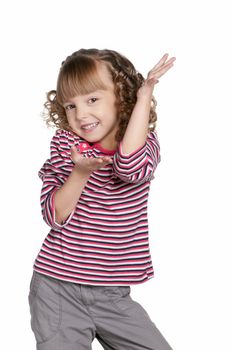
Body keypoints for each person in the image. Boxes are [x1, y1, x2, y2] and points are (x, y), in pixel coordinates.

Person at [28, 48, 176, 350]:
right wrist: (80, 173)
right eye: (70, 105)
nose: (80, 115)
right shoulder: (67, 145)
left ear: (122, 97)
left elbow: (129, 167)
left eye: (92, 100)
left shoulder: (147, 145)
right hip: (58, 288)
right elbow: (54, 214)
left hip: (112, 295)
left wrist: (144, 93)